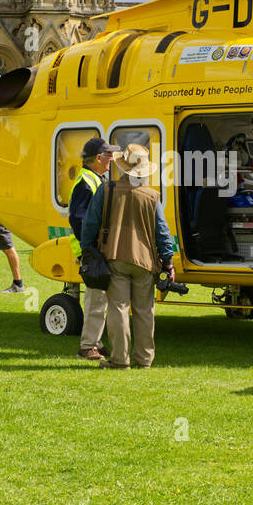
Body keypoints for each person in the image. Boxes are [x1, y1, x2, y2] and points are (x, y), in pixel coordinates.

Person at [79, 143, 174, 370]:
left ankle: (120, 360)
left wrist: (88, 251)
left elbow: (89, 225)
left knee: (118, 309)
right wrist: (168, 262)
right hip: (146, 261)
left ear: (122, 168)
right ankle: (144, 360)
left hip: (115, 258)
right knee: (144, 311)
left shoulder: (107, 190)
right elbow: (162, 233)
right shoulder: (152, 196)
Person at [69, 137, 118, 361]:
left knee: (100, 298)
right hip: (92, 250)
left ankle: (95, 343)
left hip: (94, 248)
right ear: (98, 158)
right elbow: (78, 219)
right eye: (109, 155)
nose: (112, 159)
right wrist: (89, 249)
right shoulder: (86, 182)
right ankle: (87, 347)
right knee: (95, 299)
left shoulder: (94, 178)